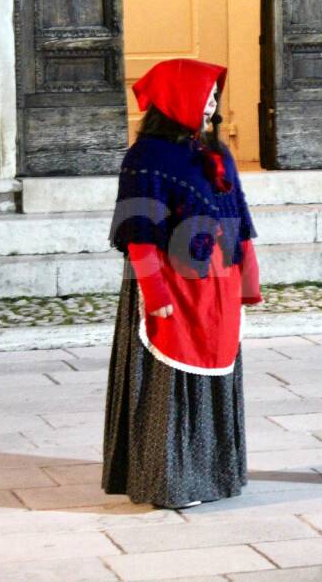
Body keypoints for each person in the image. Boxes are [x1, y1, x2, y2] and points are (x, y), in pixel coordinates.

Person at [102, 59, 261, 509]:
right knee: (171, 382)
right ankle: (170, 481)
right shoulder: (146, 157)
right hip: (174, 287)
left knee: (216, 375)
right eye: (205, 93)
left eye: (215, 94)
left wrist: (247, 281)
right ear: (177, 98)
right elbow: (138, 233)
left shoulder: (216, 154)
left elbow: (240, 221)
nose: (212, 103)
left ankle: (212, 476)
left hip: (217, 286)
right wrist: (156, 295)